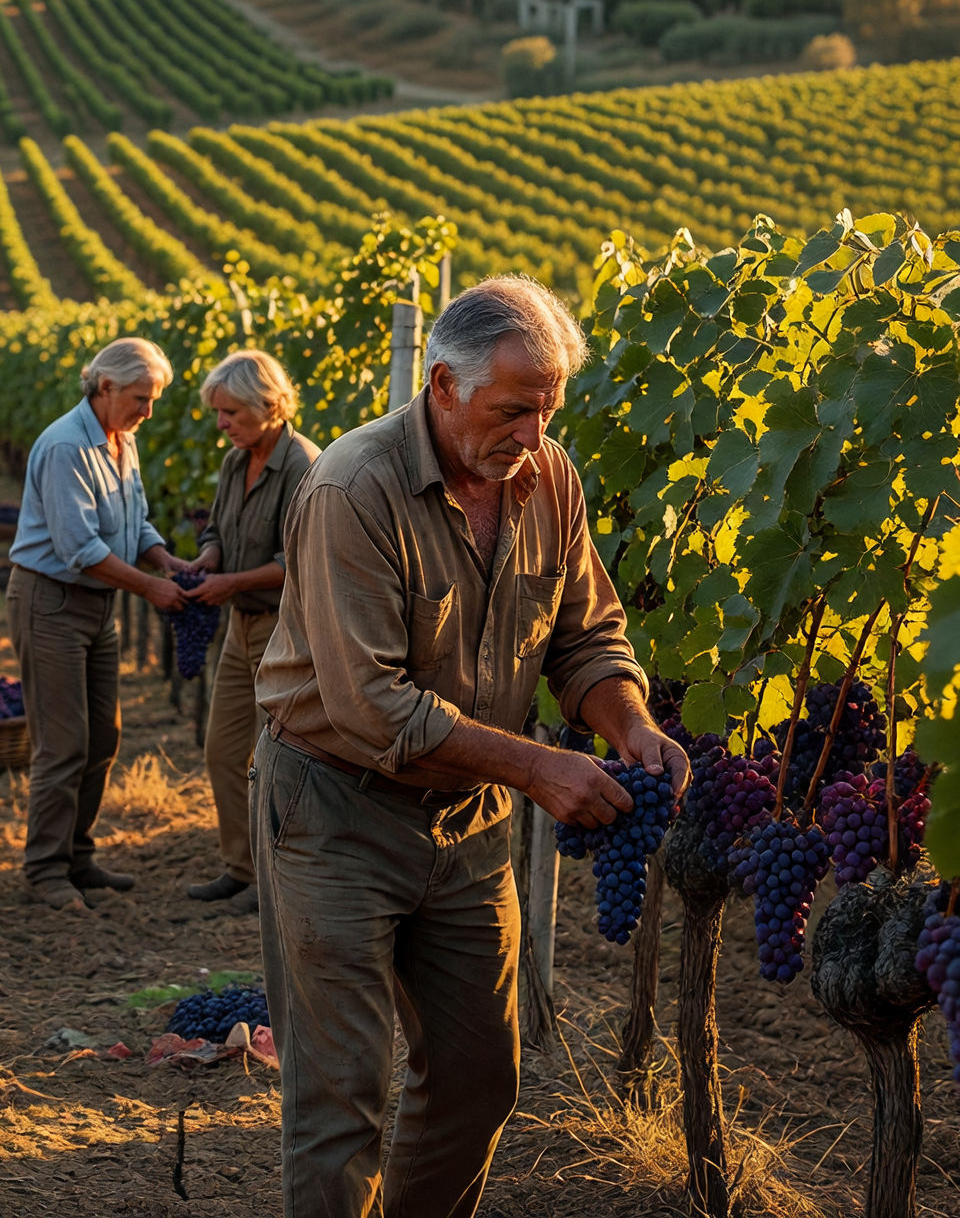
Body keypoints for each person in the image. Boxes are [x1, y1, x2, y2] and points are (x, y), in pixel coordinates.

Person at [252, 277, 688, 1218]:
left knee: (480, 1079)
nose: (533, 432)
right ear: (443, 387)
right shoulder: (351, 488)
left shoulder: (550, 478)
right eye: (513, 408)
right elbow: (372, 708)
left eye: (547, 409)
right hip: (335, 809)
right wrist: (537, 767)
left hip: (468, 817)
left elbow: (585, 636)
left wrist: (629, 725)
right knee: (341, 1104)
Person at [6, 336, 192, 913]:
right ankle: (45, 870)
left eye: (154, 399)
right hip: (51, 602)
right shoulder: (66, 446)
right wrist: (150, 588)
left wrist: (167, 561)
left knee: (102, 738)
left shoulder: (122, 441)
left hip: (96, 605)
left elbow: (134, 522)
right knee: (62, 744)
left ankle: (77, 855)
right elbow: (78, 548)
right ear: (105, 387)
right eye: (141, 398)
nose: (148, 411)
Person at [182, 349, 318, 914]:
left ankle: (279, 878)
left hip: (285, 632)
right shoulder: (236, 461)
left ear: (268, 405)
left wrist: (231, 582)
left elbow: (300, 559)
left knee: (275, 762)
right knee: (223, 749)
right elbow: (216, 526)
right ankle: (241, 868)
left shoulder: (304, 465)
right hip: (241, 628)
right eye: (217, 414)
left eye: (231, 413)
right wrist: (210, 557)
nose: (222, 425)